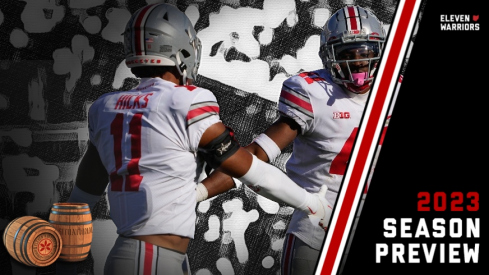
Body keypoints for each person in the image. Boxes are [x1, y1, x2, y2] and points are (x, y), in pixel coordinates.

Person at [55, 3, 331, 275]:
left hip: (135, 255)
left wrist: (62, 258)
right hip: (152, 259)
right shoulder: (187, 102)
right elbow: (252, 172)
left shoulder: (105, 108)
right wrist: (311, 203)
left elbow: (81, 200)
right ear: (181, 48)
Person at [197, 5, 387, 275]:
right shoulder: (313, 93)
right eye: (347, 53)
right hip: (318, 233)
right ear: (329, 57)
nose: (357, 61)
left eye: (365, 51)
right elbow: (254, 157)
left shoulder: (394, 87)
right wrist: (198, 192)